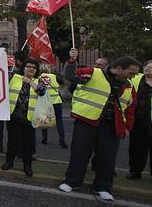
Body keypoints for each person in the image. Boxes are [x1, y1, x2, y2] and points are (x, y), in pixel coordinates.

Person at [59, 49, 140, 201]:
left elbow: (130, 108)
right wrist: (71, 61)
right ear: (119, 69)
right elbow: (70, 76)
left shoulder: (129, 86)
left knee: (107, 158)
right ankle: (72, 182)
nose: (133, 76)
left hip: (111, 126)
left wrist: (127, 127)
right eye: (131, 72)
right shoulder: (93, 73)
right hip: (87, 121)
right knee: (80, 153)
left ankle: (103, 187)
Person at [1, 58, 46, 177]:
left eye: (33, 67)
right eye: (28, 67)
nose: (31, 69)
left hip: (29, 118)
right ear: (23, 68)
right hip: (14, 116)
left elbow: (42, 92)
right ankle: (9, 162)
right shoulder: (14, 78)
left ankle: (27, 166)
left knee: (28, 144)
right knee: (12, 141)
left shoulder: (39, 81)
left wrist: (30, 82)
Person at [0, 50, 28, 153]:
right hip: (2, 104)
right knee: (2, 127)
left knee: (13, 129)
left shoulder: (19, 74)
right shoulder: (0, 71)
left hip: (12, 105)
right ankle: (2, 147)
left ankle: (14, 149)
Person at [127, 59, 152, 180]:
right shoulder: (137, 79)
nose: (147, 68)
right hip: (138, 121)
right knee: (137, 148)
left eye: (150, 67)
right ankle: (135, 171)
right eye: (146, 66)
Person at [40, 63, 68, 149]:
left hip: (45, 101)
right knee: (59, 120)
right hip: (56, 101)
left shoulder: (39, 77)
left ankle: (44, 139)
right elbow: (64, 83)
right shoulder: (54, 76)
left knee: (45, 120)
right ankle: (62, 140)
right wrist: (60, 90)